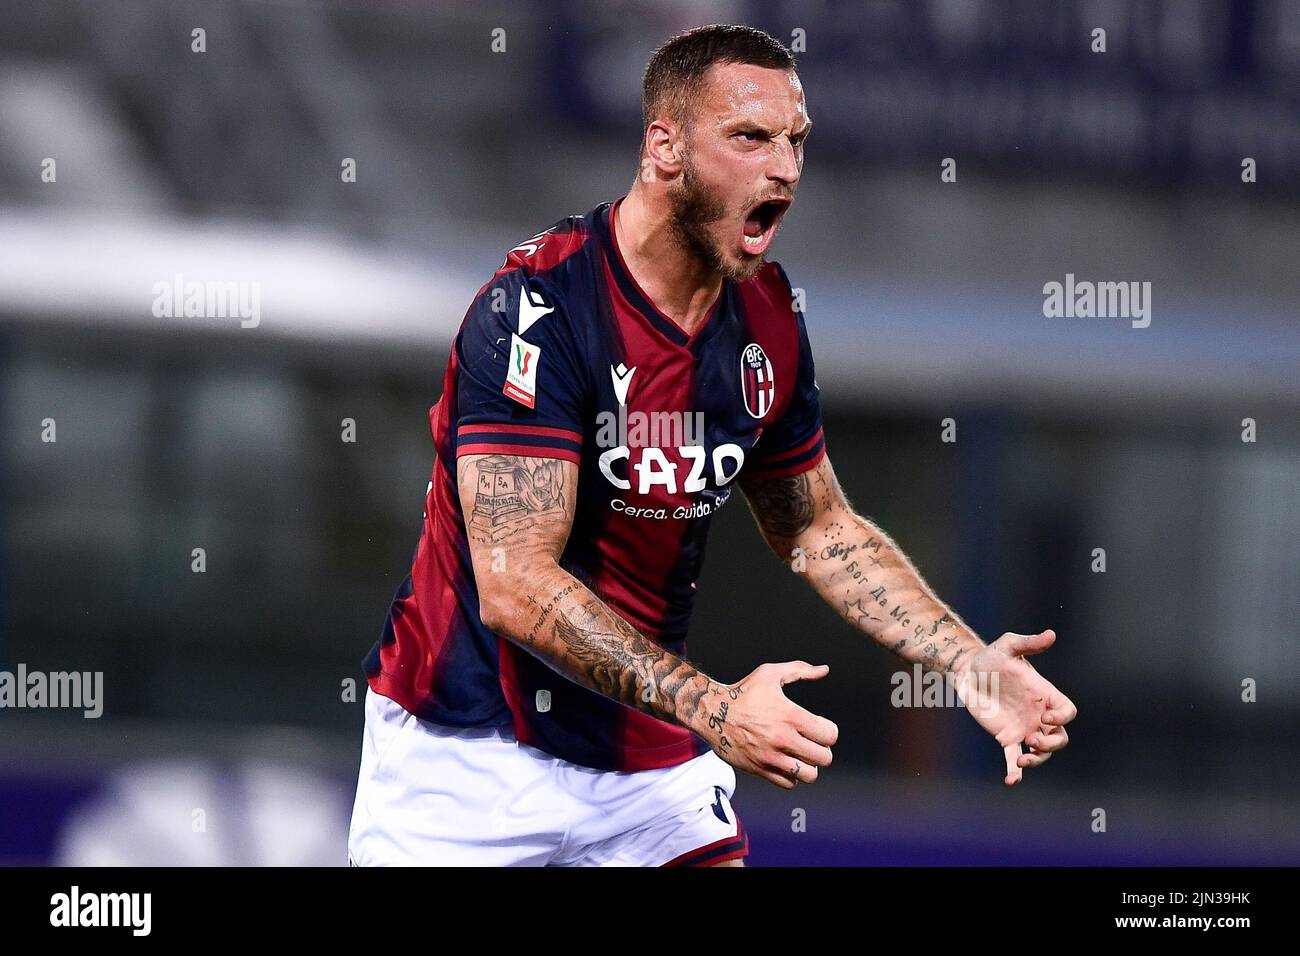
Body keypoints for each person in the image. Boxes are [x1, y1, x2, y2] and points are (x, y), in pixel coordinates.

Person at [347, 23, 1076, 867]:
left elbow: (816, 528)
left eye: (796, 141)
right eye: (751, 137)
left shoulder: (767, 314)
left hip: (647, 755)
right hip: (467, 745)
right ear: (665, 147)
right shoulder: (538, 312)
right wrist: (719, 709)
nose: (786, 169)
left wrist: (966, 660)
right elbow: (515, 586)